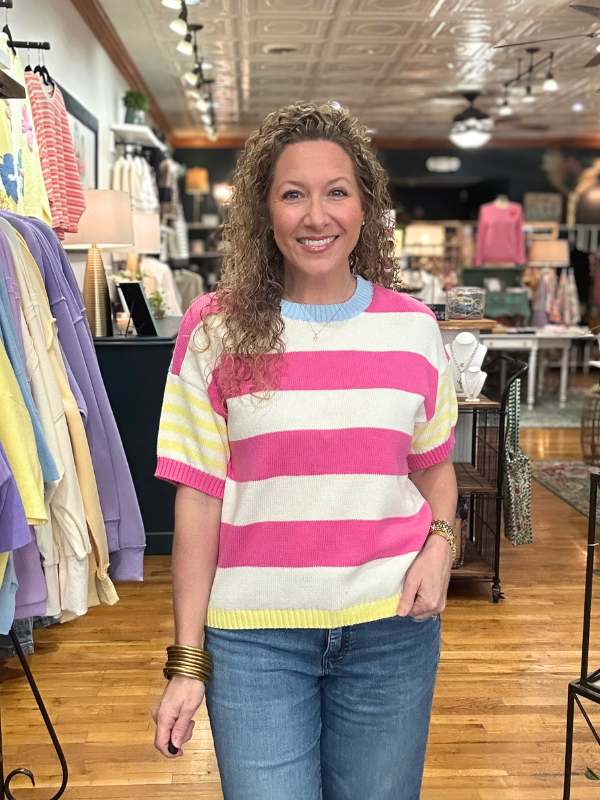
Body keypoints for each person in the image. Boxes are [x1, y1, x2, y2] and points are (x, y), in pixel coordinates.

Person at [151, 101, 458, 800]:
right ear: (265, 212)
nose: (315, 216)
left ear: (365, 207)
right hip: (256, 642)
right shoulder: (215, 329)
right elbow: (198, 498)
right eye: (293, 194)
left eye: (336, 192)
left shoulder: (414, 332)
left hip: (392, 635)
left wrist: (440, 544)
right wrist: (186, 664)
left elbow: (434, 472)